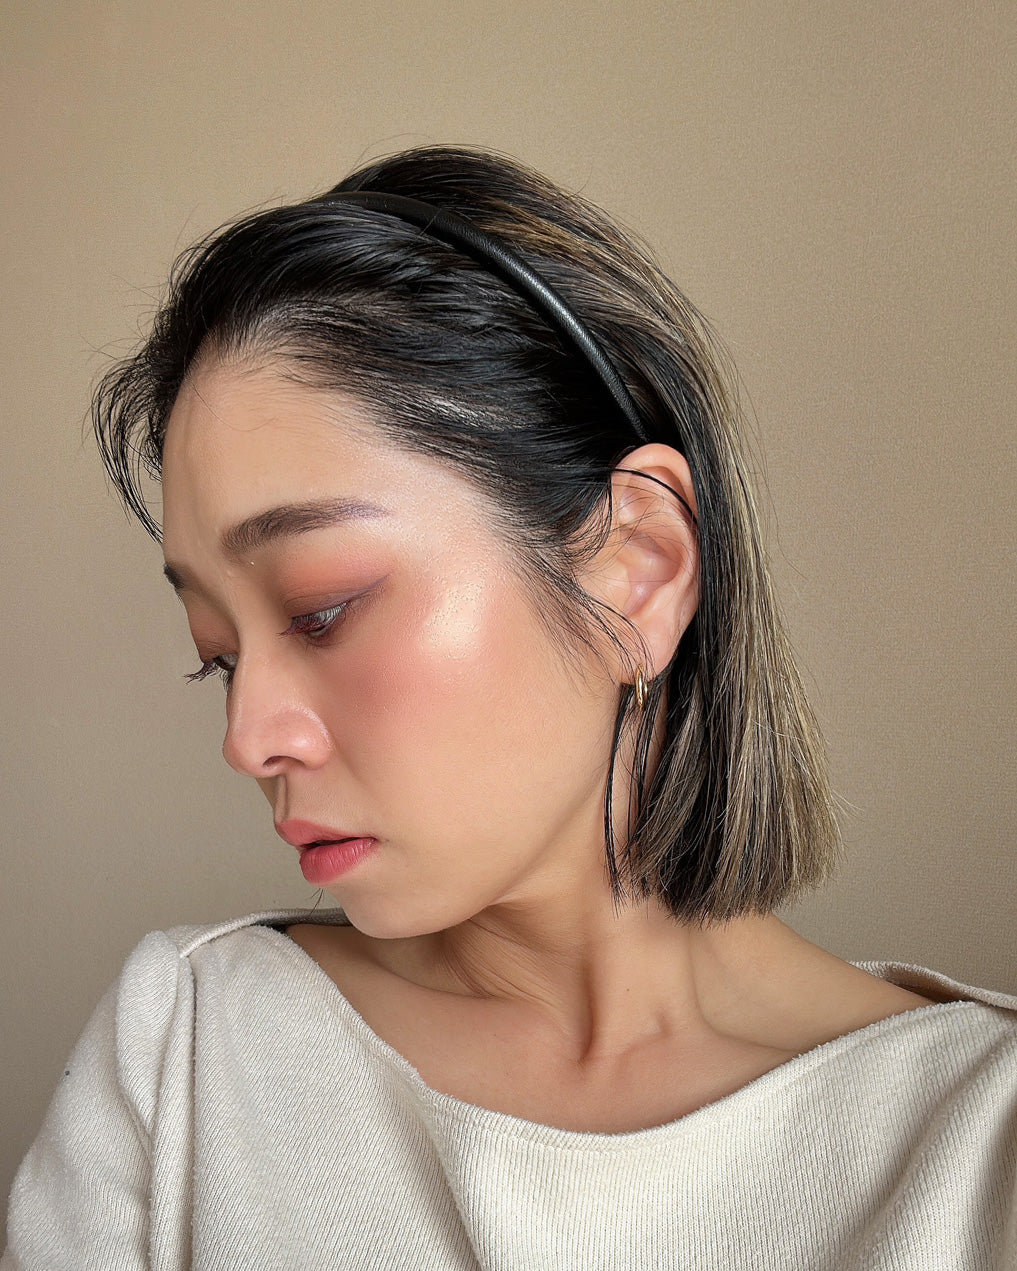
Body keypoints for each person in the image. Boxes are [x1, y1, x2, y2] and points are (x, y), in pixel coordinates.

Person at [3, 146, 1015, 1271]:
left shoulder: (981, 1140)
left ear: (636, 569)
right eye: (219, 656)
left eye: (323, 609)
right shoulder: (187, 1053)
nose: (248, 740)